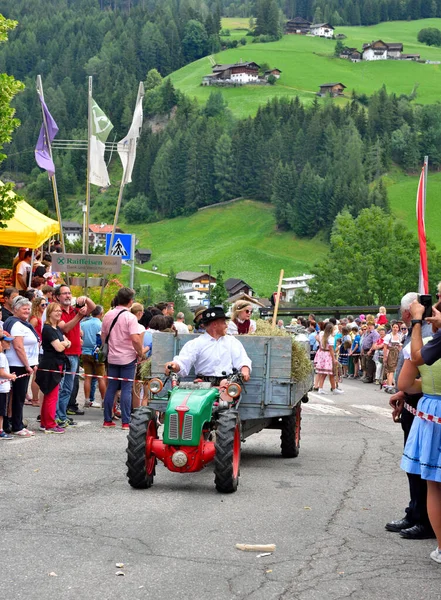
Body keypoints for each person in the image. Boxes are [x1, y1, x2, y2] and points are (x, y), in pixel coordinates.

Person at [386, 292, 434, 541]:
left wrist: (405, 389)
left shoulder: (425, 332)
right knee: (414, 465)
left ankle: (426, 520)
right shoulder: (416, 330)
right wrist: (403, 393)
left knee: (424, 467)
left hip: (426, 407)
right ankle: (415, 512)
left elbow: (423, 370)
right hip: (414, 404)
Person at [398, 296, 441, 563]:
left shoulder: (423, 345)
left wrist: (417, 323)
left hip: (433, 410)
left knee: (435, 485)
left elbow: (405, 382)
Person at [166, 306, 251, 384]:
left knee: (225, 388)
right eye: (223, 322)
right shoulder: (196, 343)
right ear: (215, 325)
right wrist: (174, 365)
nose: (226, 326)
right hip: (202, 386)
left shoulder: (232, 342)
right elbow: (183, 362)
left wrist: (245, 369)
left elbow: (242, 359)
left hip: (227, 385)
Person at [101, 288, 143, 429]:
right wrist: (141, 353)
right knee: (126, 388)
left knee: (111, 388)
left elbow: (103, 336)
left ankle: (107, 419)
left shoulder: (108, 314)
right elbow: (135, 339)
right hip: (128, 357)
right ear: (130, 301)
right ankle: (125, 422)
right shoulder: (130, 317)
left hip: (112, 357)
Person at [55, 285, 95, 425]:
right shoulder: (57, 311)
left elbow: (93, 307)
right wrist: (79, 316)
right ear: (57, 297)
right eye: (64, 293)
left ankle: (62, 414)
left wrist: (86, 299)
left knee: (68, 388)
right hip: (63, 353)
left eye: (69, 293)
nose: (67, 296)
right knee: (60, 387)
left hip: (75, 352)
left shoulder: (73, 309)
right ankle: (57, 415)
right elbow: (65, 328)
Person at [3, 296, 40, 437]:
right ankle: (17, 426)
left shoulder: (20, 323)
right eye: (24, 308)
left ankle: (11, 422)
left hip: (21, 364)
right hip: (18, 365)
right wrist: (27, 365)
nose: (27, 311)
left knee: (14, 396)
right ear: (16, 309)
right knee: (18, 397)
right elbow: (18, 347)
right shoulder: (16, 324)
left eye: (29, 309)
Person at [36, 303, 70, 434]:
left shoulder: (57, 329)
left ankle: (46, 423)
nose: (58, 313)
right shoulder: (49, 329)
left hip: (57, 363)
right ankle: (49, 423)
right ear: (49, 313)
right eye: (55, 311)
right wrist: (65, 343)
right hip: (51, 364)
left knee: (51, 394)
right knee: (51, 395)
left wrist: (64, 343)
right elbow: (59, 347)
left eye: (59, 311)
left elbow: (68, 342)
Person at [81, 305, 106, 408]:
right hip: (97, 354)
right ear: (100, 314)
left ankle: (87, 400)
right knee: (101, 377)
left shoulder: (83, 324)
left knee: (88, 377)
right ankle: (104, 400)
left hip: (85, 352)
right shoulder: (101, 325)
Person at [314, 322, 343, 395]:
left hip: (321, 354)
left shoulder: (321, 334)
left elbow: (316, 337)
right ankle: (331, 388)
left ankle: (326, 388)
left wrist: (321, 343)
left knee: (324, 373)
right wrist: (334, 359)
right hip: (327, 355)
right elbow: (331, 349)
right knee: (329, 372)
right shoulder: (331, 338)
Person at [29, 296, 47, 406]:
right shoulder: (35, 318)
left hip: (42, 348)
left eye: (46, 304)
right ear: (37, 306)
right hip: (37, 348)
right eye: (42, 305)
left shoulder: (42, 316)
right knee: (36, 374)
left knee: (39, 374)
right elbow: (30, 331)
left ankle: (37, 398)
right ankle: (35, 398)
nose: (45, 306)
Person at [0, 332, 16, 440]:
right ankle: (0, 430)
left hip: (3, 388)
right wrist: (11, 376)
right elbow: (1, 372)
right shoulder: (1, 356)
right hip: (2, 389)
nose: (9, 343)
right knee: (1, 412)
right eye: (6, 341)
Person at [383, 322, 402, 388]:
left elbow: (400, 347)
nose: (395, 329)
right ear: (392, 327)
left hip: (397, 354)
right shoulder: (388, 336)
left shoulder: (400, 336)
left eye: (397, 327)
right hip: (391, 354)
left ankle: (389, 384)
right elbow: (385, 347)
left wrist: (401, 354)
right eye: (394, 327)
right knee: (391, 370)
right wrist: (385, 356)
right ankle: (390, 385)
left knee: (394, 370)